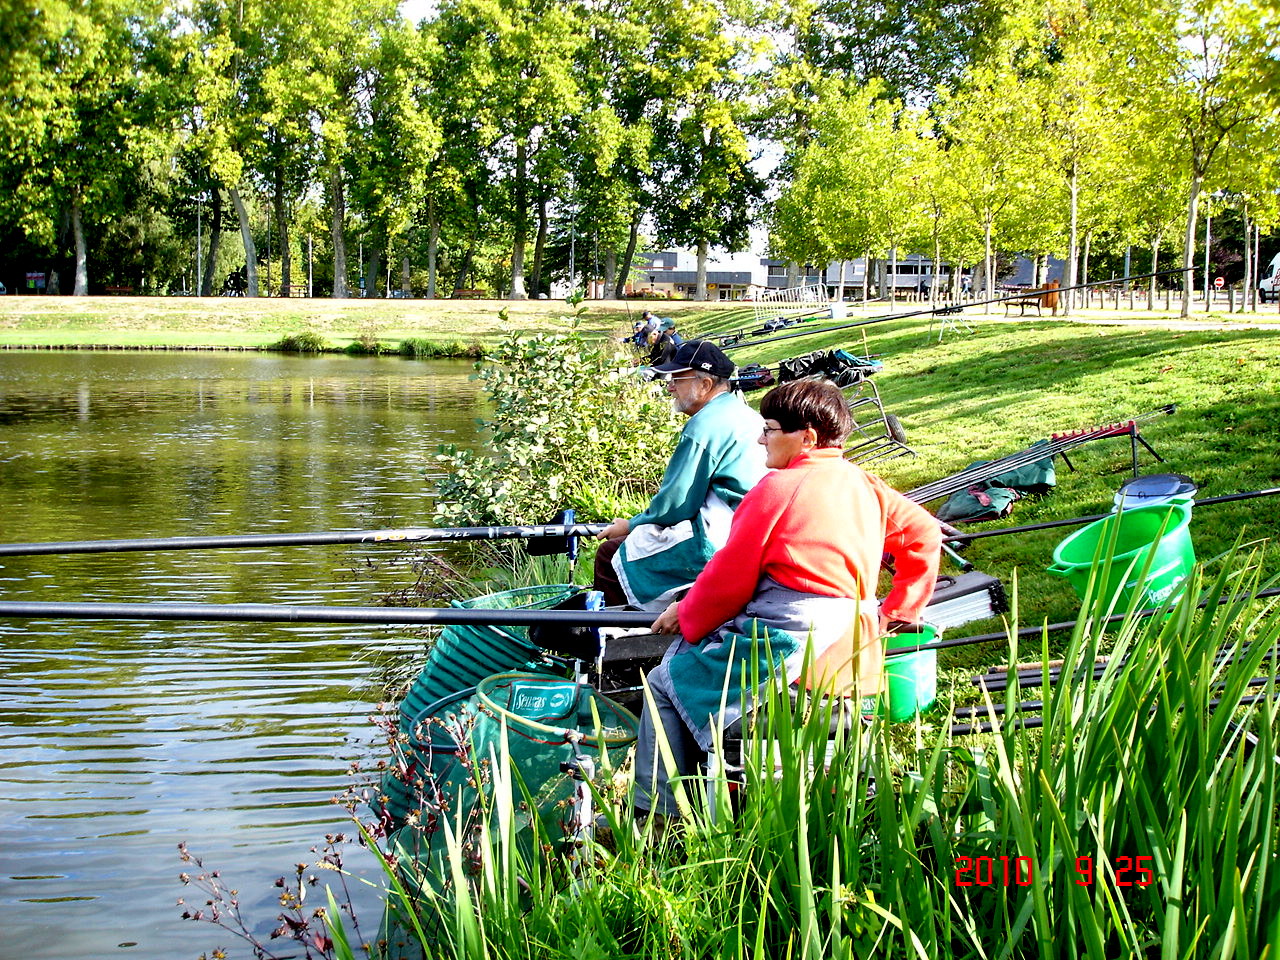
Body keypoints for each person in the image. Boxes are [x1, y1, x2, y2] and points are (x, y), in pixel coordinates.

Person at [633, 379, 941, 816]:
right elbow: (925, 533)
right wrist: (900, 609)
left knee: (666, 682)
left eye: (770, 429)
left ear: (807, 437)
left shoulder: (776, 489)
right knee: (689, 671)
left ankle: (656, 816)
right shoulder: (866, 484)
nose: (760, 439)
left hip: (789, 642)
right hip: (853, 643)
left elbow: (728, 579)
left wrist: (685, 615)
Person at [594, 339, 766, 611]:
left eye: (678, 378)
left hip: (723, 535)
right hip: (752, 527)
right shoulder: (744, 413)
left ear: (705, 385)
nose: (670, 386)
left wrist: (631, 525)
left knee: (610, 554)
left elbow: (676, 503)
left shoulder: (705, 424)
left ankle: (622, 642)